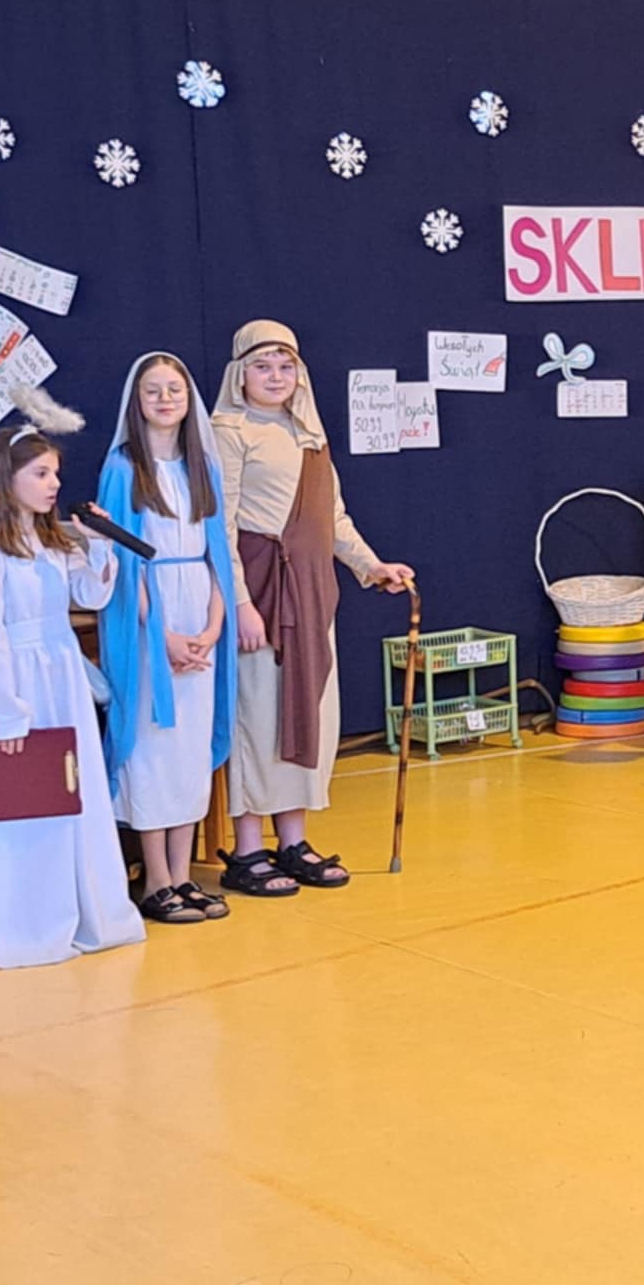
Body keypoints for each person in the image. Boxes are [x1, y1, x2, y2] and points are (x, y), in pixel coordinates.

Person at [210, 320, 414, 897]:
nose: (275, 376)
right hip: (264, 594)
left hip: (311, 593)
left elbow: (334, 519)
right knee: (260, 717)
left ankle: (293, 841)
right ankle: (247, 849)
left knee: (309, 714)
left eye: (285, 366)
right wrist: (241, 603)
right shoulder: (229, 431)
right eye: (262, 366)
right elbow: (221, 525)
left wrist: (371, 566)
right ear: (240, 374)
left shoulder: (309, 434)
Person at [0, 390, 146, 967]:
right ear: (5, 479)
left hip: (62, 676)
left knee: (72, 793)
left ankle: (84, 911)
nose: (53, 484)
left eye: (55, 473)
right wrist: (5, 713)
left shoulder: (54, 542)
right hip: (23, 684)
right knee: (26, 801)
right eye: (40, 474)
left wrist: (102, 547)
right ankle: (24, 924)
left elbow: (91, 595)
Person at [97, 353, 239, 924]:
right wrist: (163, 637)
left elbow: (218, 556)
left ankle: (182, 875)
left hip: (198, 614)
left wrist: (211, 628)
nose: (164, 400)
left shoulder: (203, 467)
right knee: (153, 749)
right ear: (137, 401)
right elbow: (123, 563)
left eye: (174, 389)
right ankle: (155, 879)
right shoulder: (123, 469)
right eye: (152, 390)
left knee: (188, 753)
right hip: (149, 621)